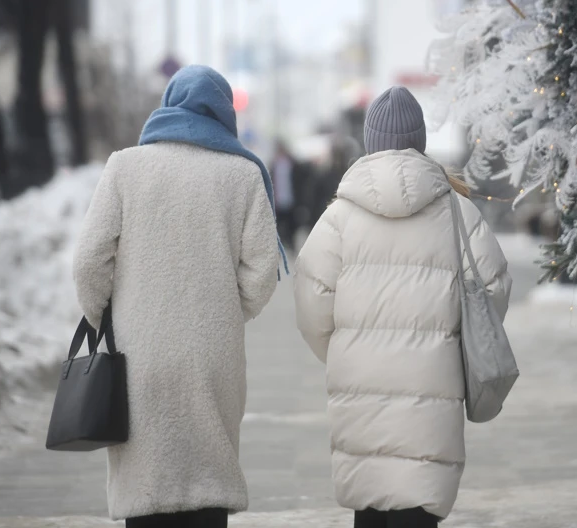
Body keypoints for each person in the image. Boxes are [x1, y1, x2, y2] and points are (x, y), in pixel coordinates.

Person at [72, 65, 285, 528]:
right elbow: (262, 273)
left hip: (137, 354)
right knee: (208, 480)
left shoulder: (125, 167)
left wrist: (106, 317)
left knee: (146, 483)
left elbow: (89, 261)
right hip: (213, 354)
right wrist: (227, 311)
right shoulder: (243, 175)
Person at [293, 86, 513, 527]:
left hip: (360, 389)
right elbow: (493, 286)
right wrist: (452, 338)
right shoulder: (457, 211)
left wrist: (345, 349)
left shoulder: (339, 217)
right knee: (419, 506)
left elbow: (310, 301)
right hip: (433, 389)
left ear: (370, 142)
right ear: (420, 141)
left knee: (370, 508)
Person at [270, 140, 299, 253]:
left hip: (291, 200)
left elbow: (298, 181)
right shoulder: (274, 164)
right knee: (279, 227)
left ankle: (291, 246)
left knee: (292, 226)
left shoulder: (292, 163)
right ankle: (281, 248)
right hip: (278, 201)